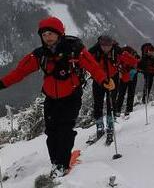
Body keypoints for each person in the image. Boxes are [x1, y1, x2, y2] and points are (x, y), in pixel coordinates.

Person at [0, 17, 115, 177]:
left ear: (59, 33)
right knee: (51, 132)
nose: (47, 37)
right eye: (44, 34)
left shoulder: (75, 50)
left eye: (51, 33)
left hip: (71, 96)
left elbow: (92, 66)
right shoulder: (40, 55)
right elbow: (20, 72)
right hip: (51, 98)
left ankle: (62, 165)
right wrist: (2, 83)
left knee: (65, 130)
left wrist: (104, 80)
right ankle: (56, 162)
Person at [89, 36, 138, 140]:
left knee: (111, 102)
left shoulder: (117, 51)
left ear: (112, 45)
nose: (106, 48)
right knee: (98, 102)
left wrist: (136, 65)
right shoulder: (94, 51)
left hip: (113, 78)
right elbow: (85, 61)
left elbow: (131, 60)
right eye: (104, 46)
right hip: (99, 79)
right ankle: (100, 126)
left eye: (108, 46)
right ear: (100, 45)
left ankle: (110, 124)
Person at [115, 45, 140, 119]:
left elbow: (117, 65)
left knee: (121, 93)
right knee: (130, 93)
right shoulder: (133, 55)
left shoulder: (120, 55)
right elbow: (138, 63)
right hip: (132, 76)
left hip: (124, 76)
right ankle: (129, 110)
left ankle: (117, 110)